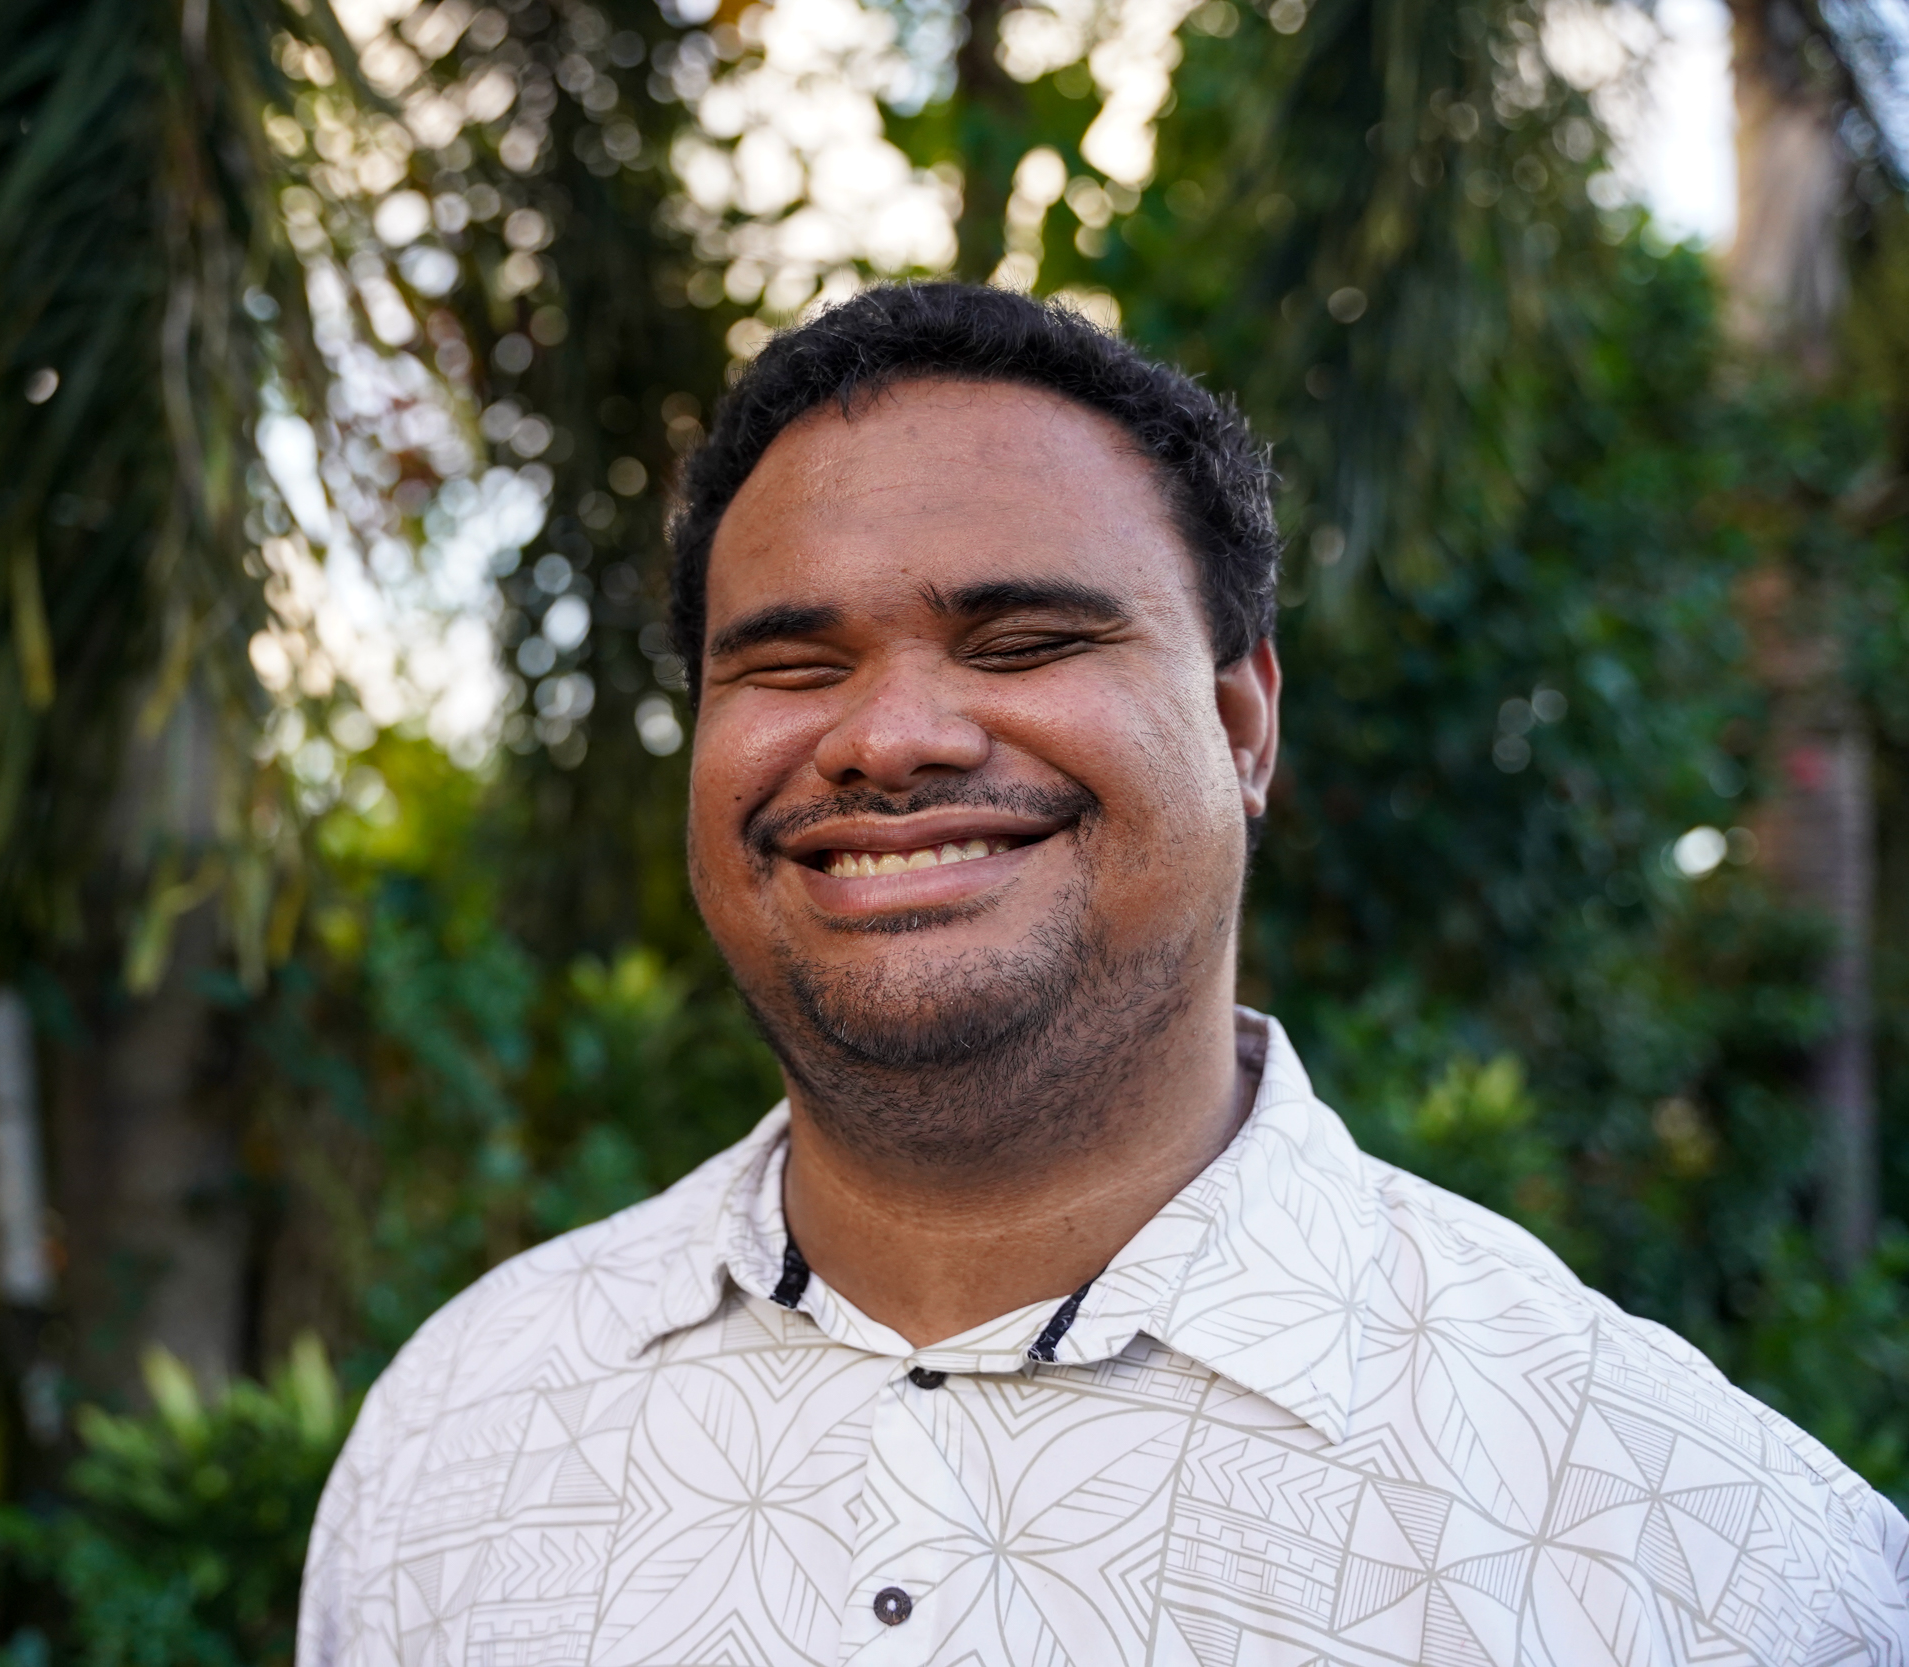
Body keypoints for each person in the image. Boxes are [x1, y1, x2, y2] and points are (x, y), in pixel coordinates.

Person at [298, 284, 1909, 1665]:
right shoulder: (456, 1431)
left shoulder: (1707, 1556)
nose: (892, 737)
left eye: (1024, 643)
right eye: (790, 664)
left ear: (1242, 722)